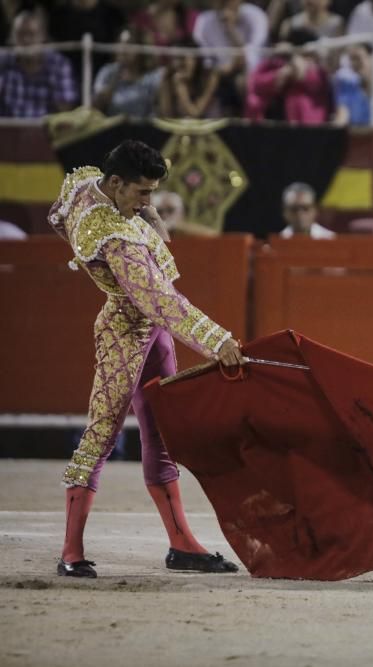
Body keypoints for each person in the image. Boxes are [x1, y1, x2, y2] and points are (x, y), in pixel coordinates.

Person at [47, 140, 244, 578]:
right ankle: (71, 553)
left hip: (151, 333)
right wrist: (217, 341)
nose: (148, 202)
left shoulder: (85, 184)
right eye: (142, 193)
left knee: (161, 433)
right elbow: (162, 302)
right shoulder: (118, 241)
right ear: (117, 183)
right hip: (125, 331)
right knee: (101, 434)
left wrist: (139, 218)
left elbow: (57, 215)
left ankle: (182, 545)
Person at [0, 9, 78, 118]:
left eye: (31, 34)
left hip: (45, 127)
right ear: (12, 37)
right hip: (8, 127)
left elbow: (66, 110)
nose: (26, 40)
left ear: (42, 36)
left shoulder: (59, 64)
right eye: (20, 34)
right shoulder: (3, 61)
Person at [245, 27, 332, 124]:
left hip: (309, 124)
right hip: (275, 121)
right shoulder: (275, 64)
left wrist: (292, 57)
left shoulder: (318, 71)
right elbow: (256, 83)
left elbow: (303, 76)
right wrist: (278, 75)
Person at [92, 30, 163, 118]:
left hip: (144, 125)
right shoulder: (108, 72)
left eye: (129, 44)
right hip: (113, 124)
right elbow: (95, 108)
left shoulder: (153, 76)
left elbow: (160, 110)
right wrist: (114, 80)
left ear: (141, 48)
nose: (123, 49)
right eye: (120, 43)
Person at [157, 38, 221, 118]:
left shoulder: (209, 77)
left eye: (182, 58)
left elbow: (195, 113)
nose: (178, 63)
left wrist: (181, 89)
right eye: (175, 59)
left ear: (196, 59)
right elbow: (166, 114)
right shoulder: (168, 77)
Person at [332, 43, 371, 127]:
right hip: (356, 129)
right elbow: (342, 113)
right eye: (353, 59)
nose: (358, 62)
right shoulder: (346, 81)